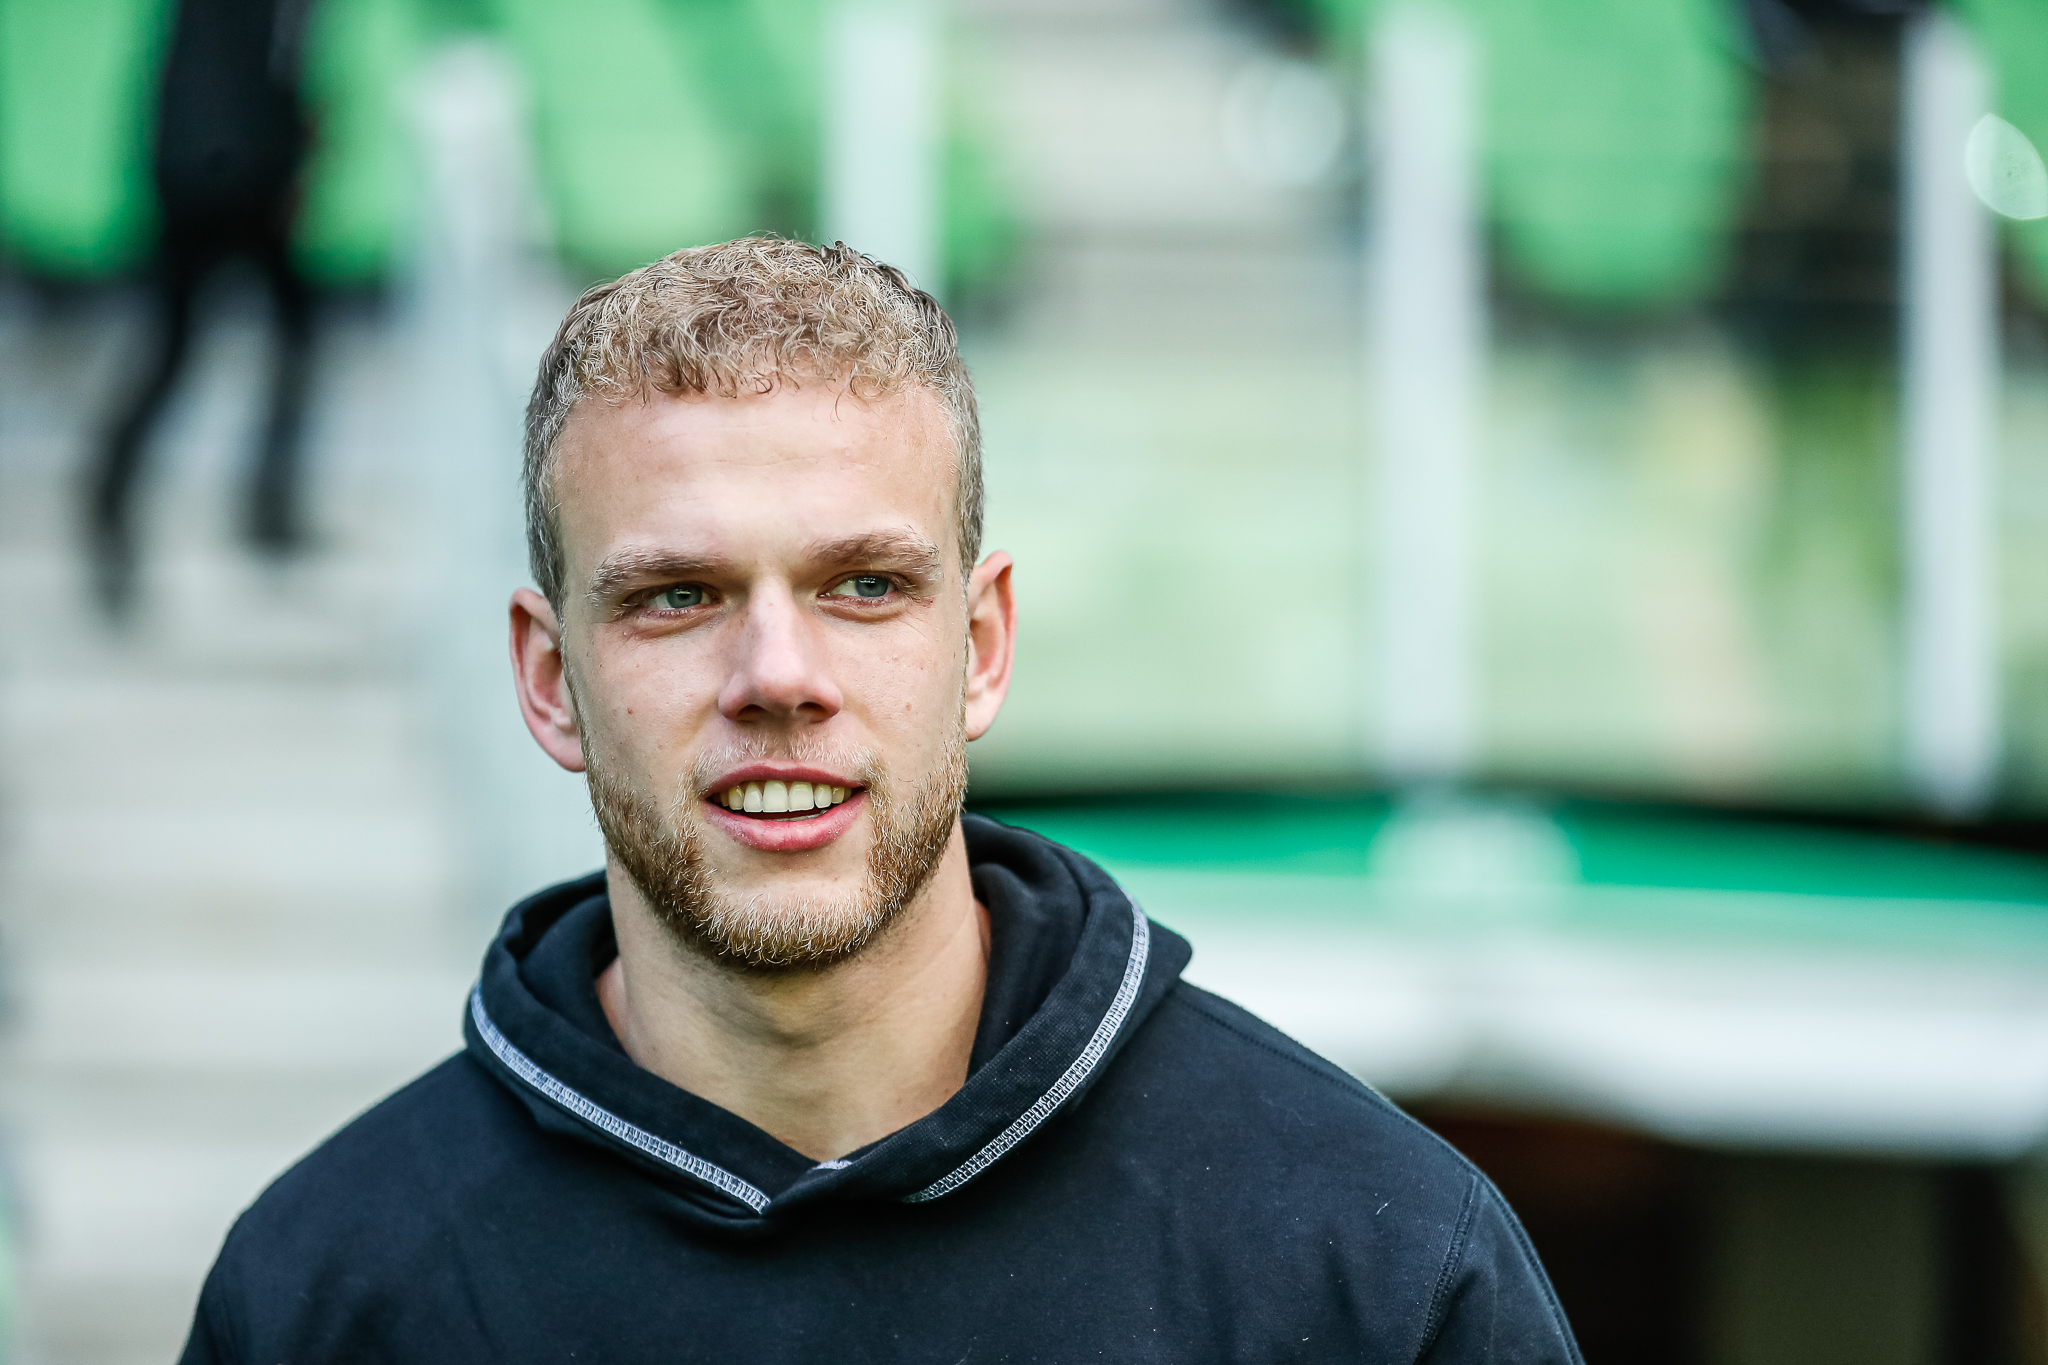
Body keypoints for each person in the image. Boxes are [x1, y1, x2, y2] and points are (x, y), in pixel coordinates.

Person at [177, 239, 1582, 1362]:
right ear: (550, 681)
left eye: (863, 585)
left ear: (981, 645)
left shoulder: (1377, 1267)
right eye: (678, 596)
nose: (778, 677)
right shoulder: (322, 1295)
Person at [87, 0, 318, 618]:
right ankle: (113, 509)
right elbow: (245, 65)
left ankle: (265, 507)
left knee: (281, 344)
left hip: (227, 167)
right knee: (175, 356)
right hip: (219, 174)